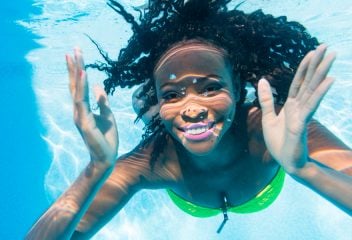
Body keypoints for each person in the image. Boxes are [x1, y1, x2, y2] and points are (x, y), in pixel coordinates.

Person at [26, 0, 352, 239]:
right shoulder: (154, 160)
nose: (192, 108)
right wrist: (96, 169)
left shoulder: (277, 130)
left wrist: (303, 168)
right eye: (171, 95)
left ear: (238, 89)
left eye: (211, 88)